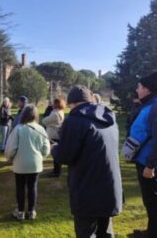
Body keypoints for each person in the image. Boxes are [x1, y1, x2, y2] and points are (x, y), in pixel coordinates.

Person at [52, 85, 122, 238]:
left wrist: (54, 149)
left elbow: (64, 156)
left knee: (86, 233)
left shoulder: (74, 121)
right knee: (106, 232)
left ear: (72, 103)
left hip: (87, 188)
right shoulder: (109, 118)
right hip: (109, 186)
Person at [128, 70, 157, 238]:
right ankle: (153, 231)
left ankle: (156, 234)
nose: (137, 90)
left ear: (147, 89)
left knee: (153, 200)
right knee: (150, 200)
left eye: (139, 87)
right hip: (145, 160)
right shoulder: (153, 104)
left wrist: (150, 165)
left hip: (150, 163)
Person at [5, 105, 50, 220]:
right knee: (32, 187)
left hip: (20, 163)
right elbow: (46, 149)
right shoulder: (41, 129)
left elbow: (11, 148)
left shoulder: (19, 129)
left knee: (20, 187)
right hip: (35, 164)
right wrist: (41, 157)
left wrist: (9, 157)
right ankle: (31, 211)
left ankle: (20, 212)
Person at [42, 98, 65, 177]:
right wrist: (51, 124)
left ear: (57, 104)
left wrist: (49, 124)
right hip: (56, 134)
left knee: (56, 154)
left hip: (54, 135)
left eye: (54, 103)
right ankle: (56, 171)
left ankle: (56, 172)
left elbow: (44, 121)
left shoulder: (55, 113)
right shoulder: (60, 112)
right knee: (56, 154)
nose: (53, 104)